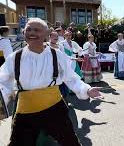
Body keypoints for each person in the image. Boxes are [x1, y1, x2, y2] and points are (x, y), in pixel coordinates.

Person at [0, 18, 102, 146]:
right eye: (28, 29)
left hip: (55, 108)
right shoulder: (15, 57)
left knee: (70, 142)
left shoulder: (56, 55)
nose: (31, 33)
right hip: (26, 111)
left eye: (36, 30)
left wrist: (86, 89)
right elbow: (3, 82)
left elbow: (71, 78)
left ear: (46, 34)